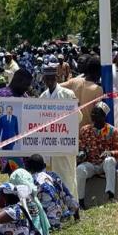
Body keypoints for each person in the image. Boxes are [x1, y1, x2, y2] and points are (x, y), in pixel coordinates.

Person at [39, 65, 80, 198]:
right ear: (44, 79)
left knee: (67, 175)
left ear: (56, 78)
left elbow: (78, 118)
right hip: (49, 144)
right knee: (50, 177)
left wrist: (75, 108)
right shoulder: (42, 97)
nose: (50, 81)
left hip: (64, 142)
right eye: (47, 78)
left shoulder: (67, 94)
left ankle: (72, 204)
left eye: (52, 78)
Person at [76, 102, 118, 207]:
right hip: (90, 164)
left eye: (96, 113)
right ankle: (80, 202)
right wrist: (81, 154)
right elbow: (80, 147)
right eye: (92, 113)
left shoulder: (112, 131)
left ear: (104, 116)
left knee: (110, 161)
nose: (93, 115)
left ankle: (110, 196)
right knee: (80, 169)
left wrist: (110, 153)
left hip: (104, 164)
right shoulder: (85, 130)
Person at [24, 154, 79, 229]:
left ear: (29, 169)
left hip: (49, 222)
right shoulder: (53, 175)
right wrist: (76, 213)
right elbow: (67, 194)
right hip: (63, 215)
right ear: (44, 165)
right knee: (64, 194)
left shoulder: (32, 182)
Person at [62, 56, 103, 128]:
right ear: (98, 72)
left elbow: (56, 87)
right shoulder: (98, 89)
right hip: (87, 131)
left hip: (71, 129)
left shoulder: (74, 81)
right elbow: (98, 115)